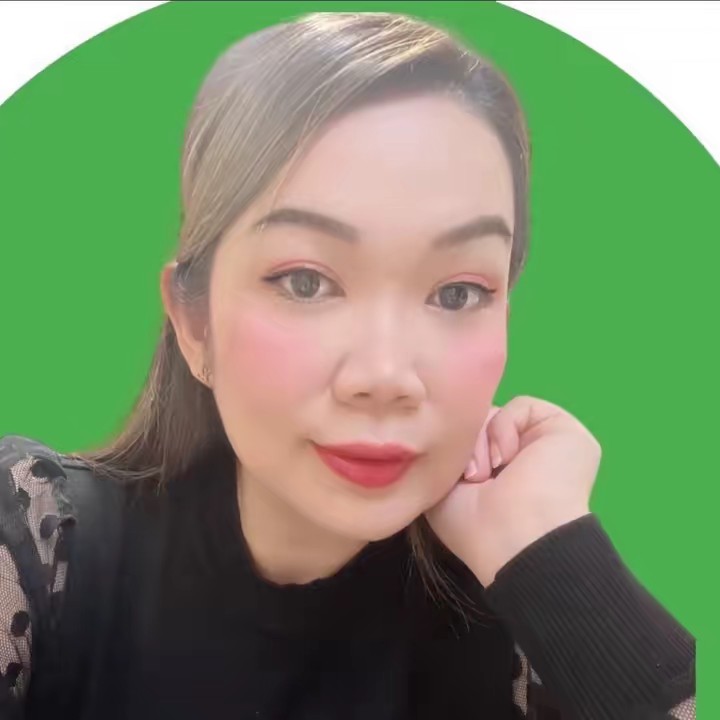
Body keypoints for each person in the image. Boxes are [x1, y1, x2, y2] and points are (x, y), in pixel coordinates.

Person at [0, 10, 695, 720]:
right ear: (194, 320)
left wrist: (549, 542)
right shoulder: (36, 550)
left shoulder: (517, 620)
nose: (386, 376)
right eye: (306, 282)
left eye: (458, 292)